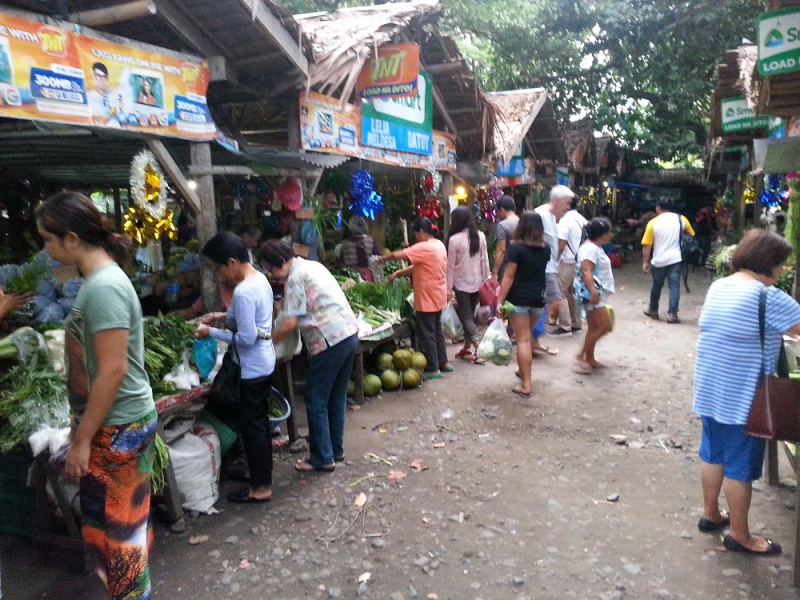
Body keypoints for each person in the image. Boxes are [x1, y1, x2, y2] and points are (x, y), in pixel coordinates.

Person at [36, 192, 156, 600]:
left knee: (121, 540)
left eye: (48, 240)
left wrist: (82, 441)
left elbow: (113, 371)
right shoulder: (98, 282)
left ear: (71, 239)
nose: (45, 249)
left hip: (118, 427)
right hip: (115, 423)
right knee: (111, 533)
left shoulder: (102, 288)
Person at [693, 229, 800, 555]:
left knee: (713, 452)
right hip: (745, 396)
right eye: (781, 264)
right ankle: (740, 536)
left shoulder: (719, 286)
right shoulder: (768, 297)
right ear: (768, 263)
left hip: (711, 387)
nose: (782, 271)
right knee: (739, 466)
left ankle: (710, 514)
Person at [261, 241, 358, 473]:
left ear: (282, 262)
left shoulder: (295, 277)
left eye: (273, 269)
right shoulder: (313, 266)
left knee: (315, 399)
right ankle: (335, 450)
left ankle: (322, 458)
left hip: (328, 340)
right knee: (335, 397)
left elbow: (290, 322)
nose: (273, 275)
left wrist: (267, 344)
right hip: (348, 333)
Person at [194, 232, 276, 503]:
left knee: (252, 428)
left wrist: (211, 333)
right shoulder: (260, 279)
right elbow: (250, 319)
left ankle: (261, 487)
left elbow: (246, 338)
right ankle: (261, 474)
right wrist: (223, 316)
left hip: (251, 367)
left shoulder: (242, 291)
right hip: (265, 361)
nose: (220, 276)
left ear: (231, 262)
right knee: (259, 423)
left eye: (219, 268)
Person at [380, 218, 453, 378]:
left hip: (426, 296)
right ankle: (443, 362)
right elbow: (420, 265)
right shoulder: (438, 245)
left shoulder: (424, 247)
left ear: (421, 232)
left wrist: (384, 259)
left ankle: (433, 369)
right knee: (436, 330)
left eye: (415, 234)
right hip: (438, 294)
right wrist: (398, 273)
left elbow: (398, 255)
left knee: (427, 333)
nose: (415, 237)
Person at [496, 211, 549, 398]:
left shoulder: (516, 249)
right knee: (526, 338)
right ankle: (522, 371)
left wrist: (500, 300)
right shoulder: (546, 248)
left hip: (519, 299)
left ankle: (526, 385)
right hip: (538, 299)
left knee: (523, 341)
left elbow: (509, 276)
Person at [446, 206, 490, 363]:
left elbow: (450, 266)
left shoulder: (454, 239)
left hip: (461, 283)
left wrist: (448, 288)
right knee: (469, 315)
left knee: (466, 317)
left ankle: (478, 349)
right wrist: (487, 280)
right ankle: (466, 348)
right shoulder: (480, 236)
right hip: (478, 282)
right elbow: (485, 260)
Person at [641, 199, 695, 323]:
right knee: (674, 285)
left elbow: (647, 245)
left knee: (657, 285)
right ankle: (672, 314)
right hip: (676, 258)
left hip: (659, 260)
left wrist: (645, 262)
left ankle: (653, 310)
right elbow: (691, 235)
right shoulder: (681, 219)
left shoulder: (653, 223)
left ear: (658, 208)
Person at [574, 218, 615, 373]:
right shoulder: (590, 248)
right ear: (603, 235)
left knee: (594, 327)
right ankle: (580, 356)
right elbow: (586, 271)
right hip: (594, 294)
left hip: (597, 293)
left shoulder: (593, 247)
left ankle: (589, 358)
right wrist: (592, 291)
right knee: (604, 326)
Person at [536, 185, 574, 337]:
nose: (568, 207)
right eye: (567, 202)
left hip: (550, 266)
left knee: (549, 302)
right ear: (557, 201)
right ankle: (533, 336)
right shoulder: (540, 214)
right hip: (544, 267)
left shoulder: (551, 216)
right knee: (553, 301)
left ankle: (535, 337)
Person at [557, 196, 588, 333]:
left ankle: (565, 326)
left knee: (559, 292)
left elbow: (561, 245)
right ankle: (576, 323)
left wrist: (554, 260)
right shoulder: (582, 219)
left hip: (567, 262)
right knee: (571, 292)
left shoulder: (565, 221)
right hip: (579, 261)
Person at [335, 216, 381, 281]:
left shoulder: (343, 244)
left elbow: (338, 265)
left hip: (350, 278)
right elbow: (379, 259)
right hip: (368, 278)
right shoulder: (372, 241)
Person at [491, 195, 519, 282]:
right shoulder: (522, 222)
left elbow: (501, 250)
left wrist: (495, 272)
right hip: (521, 267)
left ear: (502, 209)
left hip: (506, 269)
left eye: (497, 211)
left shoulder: (502, 225)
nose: (497, 214)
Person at [87, 62, 119, 128]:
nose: (101, 79)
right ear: (94, 77)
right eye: (98, 76)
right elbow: (100, 122)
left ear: (107, 79)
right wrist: (114, 108)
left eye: (104, 76)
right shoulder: (90, 96)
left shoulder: (112, 95)